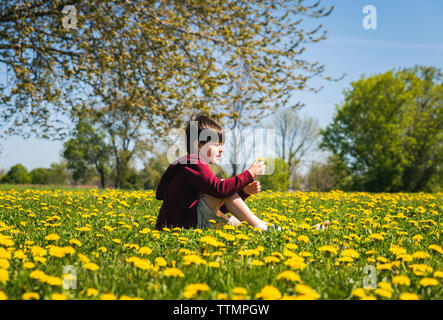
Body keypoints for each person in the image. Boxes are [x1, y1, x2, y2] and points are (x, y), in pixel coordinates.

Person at [154, 113, 270, 231]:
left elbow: (219, 205)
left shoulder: (192, 164)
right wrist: (250, 173)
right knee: (223, 185)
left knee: (235, 217)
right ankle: (261, 228)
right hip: (181, 225)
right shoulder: (193, 163)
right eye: (216, 144)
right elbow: (221, 190)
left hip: (184, 221)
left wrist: (243, 192)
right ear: (199, 145)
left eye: (221, 145)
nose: (221, 149)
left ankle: (261, 225)